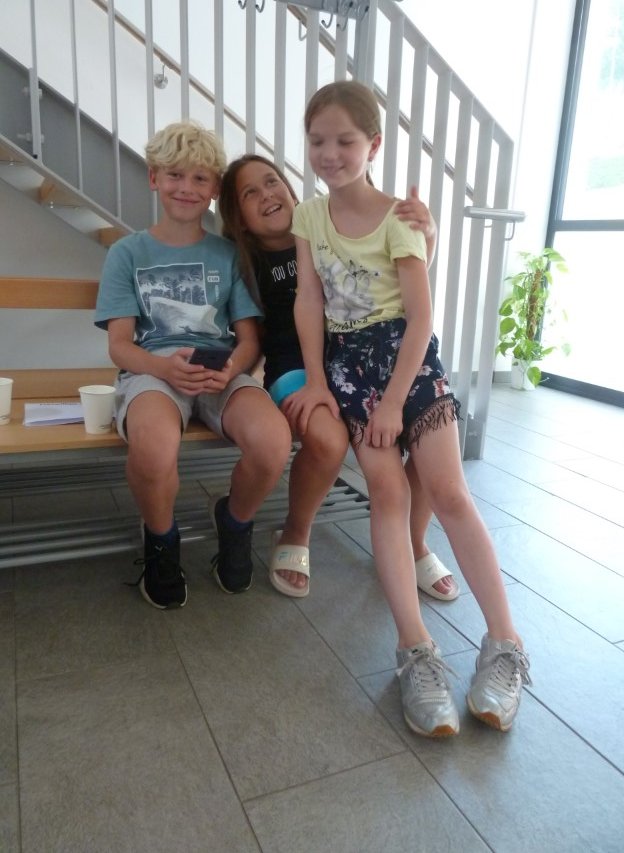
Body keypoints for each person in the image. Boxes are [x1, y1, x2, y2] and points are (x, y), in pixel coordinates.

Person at [289, 80, 531, 736]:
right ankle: (415, 651)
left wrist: (395, 400)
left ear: (373, 145)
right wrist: (317, 379)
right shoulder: (308, 217)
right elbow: (309, 299)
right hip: (349, 366)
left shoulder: (402, 217)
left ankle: (505, 644)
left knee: (449, 492)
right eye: (317, 140)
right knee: (388, 493)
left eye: (344, 140)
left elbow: (421, 316)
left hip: (409, 362)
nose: (329, 153)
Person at [218, 154, 459, 602]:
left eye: (272, 181)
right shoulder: (242, 263)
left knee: (426, 428)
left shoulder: (330, 227)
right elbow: (247, 334)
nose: (267, 194)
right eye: (250, 193)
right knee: (329, 441)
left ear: (289, 188)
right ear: (240, 219)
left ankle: (413, 541)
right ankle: (296, 530)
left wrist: (429, 235)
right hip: (294, 368)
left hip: (359, 358)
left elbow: (392, 278)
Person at [95, 121, 292, 609]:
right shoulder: (126, 253)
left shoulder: (228, 255)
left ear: (214, 189)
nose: (187, 187)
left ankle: (235, 521)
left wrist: (232, 368)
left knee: (273, 442)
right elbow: (119, 346)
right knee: (154, 447)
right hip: (153, 373)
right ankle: (162, 541)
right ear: (154, 178)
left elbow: (249, 339)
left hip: (221, 371)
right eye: (175, 175)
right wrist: (163, 369)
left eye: (200, 178)